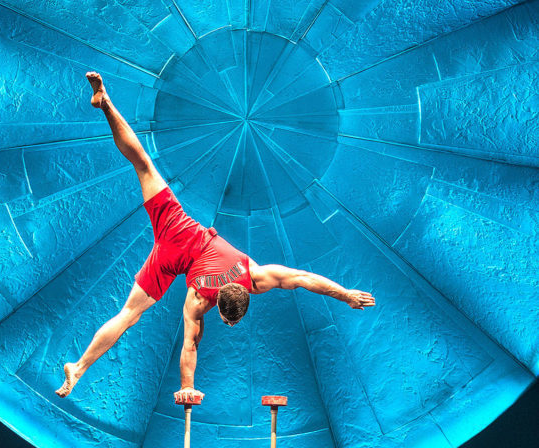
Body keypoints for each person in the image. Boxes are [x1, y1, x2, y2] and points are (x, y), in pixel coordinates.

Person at [56, 71, 375, 402]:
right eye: (226, 319)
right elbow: (190, 344)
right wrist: (186, 387)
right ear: (220, 305)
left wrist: (345, 293)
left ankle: (105, 103)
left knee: (145, 166)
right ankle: (77, 369)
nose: (227, 322)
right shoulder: (200, 299)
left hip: (178, 228)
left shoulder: (254, 274)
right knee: (128, 316)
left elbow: (303, 278)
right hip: (168, 260)